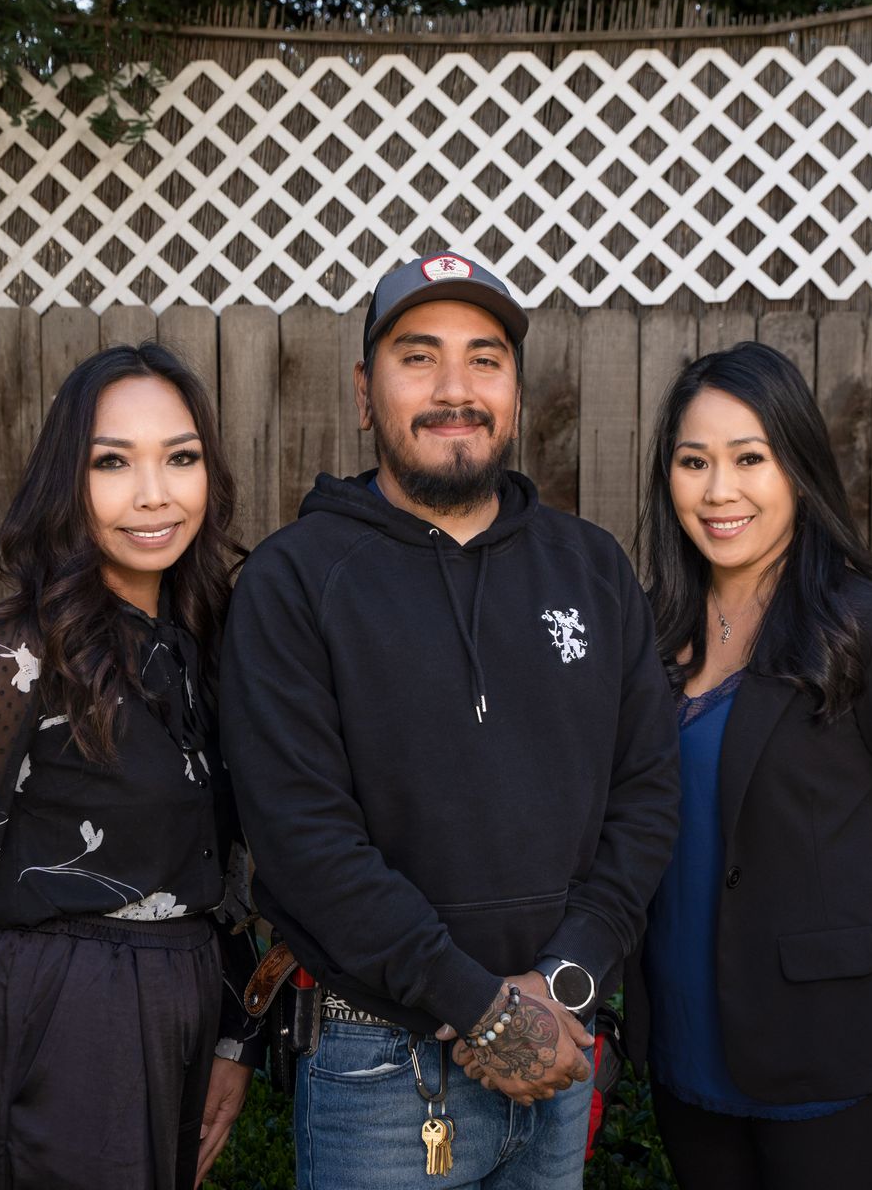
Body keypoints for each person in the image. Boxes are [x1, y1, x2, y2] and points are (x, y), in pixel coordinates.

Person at [219, 251, 682, 1189]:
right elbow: (304, 839)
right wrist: (481, 1008)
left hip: (558, 1052)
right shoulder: (294, 582)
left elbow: (647, 795)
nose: (455, 390)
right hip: (376, 1072)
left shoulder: (592, 571)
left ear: (515, 390)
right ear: (364, 390)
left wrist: (566, 984)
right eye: (418, 357)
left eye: (484, 359)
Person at [0, 343, 263, 1189]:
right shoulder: (20, 647)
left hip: (181, 999)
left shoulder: (206, 644)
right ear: (66, 481)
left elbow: (221, 866)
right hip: (65, 1009)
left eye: (181, 458)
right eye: (113, 462)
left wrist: (234, 1032)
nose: (153, 493)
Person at [628, 341, 872, 1189]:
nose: (720, 491)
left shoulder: (867, 630)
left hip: (834, 1046)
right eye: (694, 462)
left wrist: (846, 947)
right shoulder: (647, 636)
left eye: (749, 458)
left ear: (798, 467)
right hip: (687, 1042)